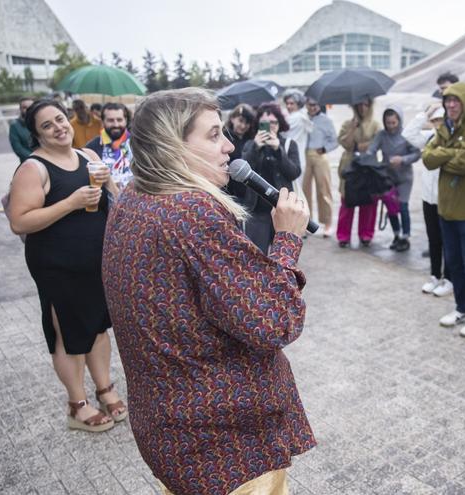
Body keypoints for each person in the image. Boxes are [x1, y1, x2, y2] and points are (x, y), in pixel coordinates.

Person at [101, 88, 314, 495]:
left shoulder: (134, 197)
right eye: (214, 135)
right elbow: (275, 320)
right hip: (225, 445)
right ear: (171, 143)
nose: (229, 147)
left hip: (173, 430)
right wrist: (286, 239)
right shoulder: (191, 211)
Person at [5, 99, 124, 433]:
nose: (58, 127)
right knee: (69, 332)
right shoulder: (34, 168)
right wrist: (70, 203)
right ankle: (77, 404)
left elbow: (111, 199)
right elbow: (19, 221)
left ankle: (105, 389)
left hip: (96, 261)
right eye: (47, 125)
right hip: (57, 264)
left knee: (97, 326)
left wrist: (110, 183)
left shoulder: (88, 156)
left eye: (60, 119)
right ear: (37, 134)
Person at [423, 81, 465, 337]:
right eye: (447, 101)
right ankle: (463, 307)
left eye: (456, 100)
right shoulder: (445, 129)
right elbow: (427, 159)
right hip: (447, 209)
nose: (451, 105)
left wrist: (445, 154)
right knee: (454, 262)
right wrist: (451, 152)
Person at [403, 103, 454, 296]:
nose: (438, 124)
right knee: (433, 238)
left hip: (446, 198)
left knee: (447, 240)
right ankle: (434, 275)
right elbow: (408, 133)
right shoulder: (428, 138)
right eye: (435, 121)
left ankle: (449, 278)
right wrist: (425, 114)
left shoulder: (452, 140)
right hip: (428, 198)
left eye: (441, 120)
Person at [241, 102, 301, 253]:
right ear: (258, 125)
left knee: (282, 256)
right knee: (257, 257)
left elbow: (294, 173)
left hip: (282, 211)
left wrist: (278, 150)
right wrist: (255, 147)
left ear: (280, 123)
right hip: (257, 211)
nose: (270, 126)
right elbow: (243, 172)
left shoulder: (288, 144)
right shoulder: (250, 144)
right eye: (264, 124)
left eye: (273, 122)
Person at [367, 105, 421, 251]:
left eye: (393, 123)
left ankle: (405, 237)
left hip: (404, 177)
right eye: (388, 123)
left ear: (399, 121)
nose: (391, 126)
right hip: (388, 177)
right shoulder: (382, 135)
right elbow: (372, 149)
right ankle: (396, 234)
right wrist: (371, 160)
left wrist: (402, 159)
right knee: (391, 207)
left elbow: (417, 153)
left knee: (402, 206)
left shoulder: (406, 135)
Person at [337, 98, 381, 248]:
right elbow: (344, 143)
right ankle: (343, 236)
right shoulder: (347, 124)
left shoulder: (375, 125)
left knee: (369, 203)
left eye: (365, 104)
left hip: (368, 167)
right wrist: (352, 129)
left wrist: (365, 145)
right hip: (350, 167)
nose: (362, 108)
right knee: (347, 202)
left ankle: (366, 234)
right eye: (359, 104)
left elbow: (378, 142)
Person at [302, 96, 338, 237]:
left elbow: (335, 140)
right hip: (304, 155)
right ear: (306, 104)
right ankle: (307, 222)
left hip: (320, 154)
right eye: (310, 104)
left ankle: (327, 223)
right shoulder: (302, 118)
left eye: (315, 105)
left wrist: (325, 148)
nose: (312, 107)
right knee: (304, 190)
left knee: (324, 189)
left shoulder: (325, 120)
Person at [85, 103, 134, 189]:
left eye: (119, 120)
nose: (116, 125)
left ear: (125, 120)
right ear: (103, 122)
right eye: (110, 120)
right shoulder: (91, 148)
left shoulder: (137, 144)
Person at [223, 103, 258, 205]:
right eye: (241, 121)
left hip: (248, 192)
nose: (243, 126)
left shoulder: (251, 139)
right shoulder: (225, 136)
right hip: (229, 190)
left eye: (247, 123)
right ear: (233, 118)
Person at [282, 89, 312, 194]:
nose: (289, 106)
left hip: (294, 156)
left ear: (298, 104)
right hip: (294, 155)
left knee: (294, 190)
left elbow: (282, 129)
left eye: (292, 103)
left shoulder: (297, 117)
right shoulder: (303, 116)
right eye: (287, 103)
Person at [9, 96, 34, 161]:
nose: (28, 109)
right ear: (20, 109)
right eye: (25, 107)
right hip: (28, 163)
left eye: (31, 107)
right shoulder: (15, 126)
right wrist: (35, 158)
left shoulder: (41, 123)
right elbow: (18, 149)